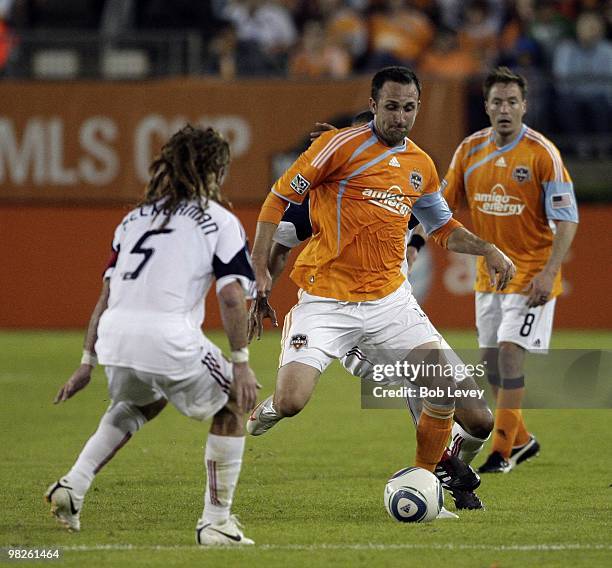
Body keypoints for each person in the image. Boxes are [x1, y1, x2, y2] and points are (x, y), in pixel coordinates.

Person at [247, 67, 515, 505]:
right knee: (293, 400)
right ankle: (271, 408)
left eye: (409, 108)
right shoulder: (336, 146)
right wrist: (259, 271)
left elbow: (443, 227)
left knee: (471, 410)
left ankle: (428, 481)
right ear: (374, 106)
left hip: (390, 305)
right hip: (327, 301)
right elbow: (278, 199)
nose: (400, 117)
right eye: (391, 107)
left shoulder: (420, 166)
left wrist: (487, 249)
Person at [45, 125, 258, 546]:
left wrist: (87, 361)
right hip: (167, 337)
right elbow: (232, 296)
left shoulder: (132, 220)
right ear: (214, 170)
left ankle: (73, 484)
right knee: (235, 403)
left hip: (114, 339)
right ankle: (215, 522)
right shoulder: (219, 220)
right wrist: (241, 362)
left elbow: (107, 292)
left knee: (142, 400)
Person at [412, 67, 579, 473]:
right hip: (491, 277)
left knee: (507, 358)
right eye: (497, 102)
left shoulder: (543, 154)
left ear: (524, 105)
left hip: (533, 274)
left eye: (512, 102)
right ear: (486, 106)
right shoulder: (470, 150)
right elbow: (440, 207)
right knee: (490, 366)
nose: (505, 109)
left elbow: (568, 218)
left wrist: (549, 272)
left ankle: (501, 453)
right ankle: (522, 440)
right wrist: (415, 243)